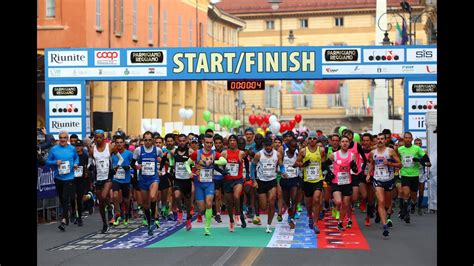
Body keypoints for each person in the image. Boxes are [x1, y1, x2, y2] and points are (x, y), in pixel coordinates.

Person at [185, 134, 227, 236]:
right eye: (207, 142)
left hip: (209, 183)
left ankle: (207, 227)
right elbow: (187, 163)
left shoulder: (214, 153)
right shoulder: (197, 153)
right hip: (198, 184)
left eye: (210, 143)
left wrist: (213, 161)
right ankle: (207, 216)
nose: (209, 144)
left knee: (209, 203)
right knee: (202, 208)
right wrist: (190, 172)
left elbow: (224, 161)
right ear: (203, 142)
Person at [366, 133, 401, 237]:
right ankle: (385, 225)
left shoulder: (390, 151)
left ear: (386, 140)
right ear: (376, 140)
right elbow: (372, 164)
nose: (380, 140)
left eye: (382, 139)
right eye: (378, 139)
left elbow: (400, 164)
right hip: (378, 180)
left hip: (389, 180)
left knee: (386, 204)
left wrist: (390, 163)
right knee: (381, 201)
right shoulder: (373, 152)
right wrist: (368, 174)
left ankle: (380, 212)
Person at [89, 129, 123, 233]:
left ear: (104, 138)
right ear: (94, 138)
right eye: (96, 137)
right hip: (98, 177)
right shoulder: (92, 149)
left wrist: (116, 167)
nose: (98, 139)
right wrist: (89, 167)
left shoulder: (110, 147)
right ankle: (105, 223)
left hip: (108, 176)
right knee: (100, 203)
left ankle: (109, 207)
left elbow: (121, 159)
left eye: (100, 137)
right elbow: (90, 161)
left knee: (103, 196)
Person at [46, 130, 79, 231]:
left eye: (65, 138)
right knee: (62, 198)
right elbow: (47, 162)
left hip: (69, 177)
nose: (63, 140)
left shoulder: (72, 149)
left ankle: (64, 220)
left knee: (65, 197)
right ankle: (67, 216)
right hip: (58, 177)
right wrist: (55, 162)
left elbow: (76, 158)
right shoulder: (54, 149)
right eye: (61, 138)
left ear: (67, 139)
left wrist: (76, 164)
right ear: (58, 139)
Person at [132, 131, 163, 235]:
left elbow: (162, 159)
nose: (148, 142)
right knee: (145, 204)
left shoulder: (157, 150)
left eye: (150, 140)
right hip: (143, 179)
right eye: (146, 140)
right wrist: (136, 166)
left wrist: (160, 169)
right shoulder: (138, 150)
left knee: (153, 196)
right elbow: (132, 163)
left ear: (153, 140)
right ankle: (149, 222)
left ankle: (154, 217)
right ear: (143, 140)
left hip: (153, 178)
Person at [296, 131, 326, 234]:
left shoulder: (321, 150)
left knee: (317, 199)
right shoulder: (303, 151)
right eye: (310, 138)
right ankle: (310, 216)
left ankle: (315, 223)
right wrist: (303, 164)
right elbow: (296, 163)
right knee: (308, 204)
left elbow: (323, 163)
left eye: (314, 138)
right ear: (308, 140)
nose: (312, 140)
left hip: (318, 179)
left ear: (316, 140)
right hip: (307, 180)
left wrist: (325, 172)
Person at [252, 137, 284, 233]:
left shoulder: (277, 154)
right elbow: (252, 167)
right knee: (264, 207)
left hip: (272, 181)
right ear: (264, 146)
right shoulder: (258, 155)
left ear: (272, 145)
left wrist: (283, 172)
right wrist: (254, 180)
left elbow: (281, 166)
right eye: (266, 146)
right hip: (261, 181)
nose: (268, 147)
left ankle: (269, 225)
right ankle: (263, 214)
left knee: (272, 201)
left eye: (270, 145)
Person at [397, 132, 431, 224]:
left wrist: (419, 160)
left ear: (411, 139)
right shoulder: (400, 149)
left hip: (415, 175)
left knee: (413, 196)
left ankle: (414, 204)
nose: (407, 139)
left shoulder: (417, 149)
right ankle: (406, 213)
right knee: (405, 193)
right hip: (405, 174)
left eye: (409, 138)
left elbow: (427, 159)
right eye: (406, 138)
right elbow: (396, 159)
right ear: (403, 139)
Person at [327, 136, 358, 231]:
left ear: (349, 144)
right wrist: (329, 173)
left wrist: (354, 167)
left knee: (345, 204)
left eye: (346, 141)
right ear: (340, 144)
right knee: (338, 202)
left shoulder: (352, 155)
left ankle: (340, 222)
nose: (344, 143)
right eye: (343, 141)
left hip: (347, 182)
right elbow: (325, 165)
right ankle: (334, 204)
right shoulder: (334, 155)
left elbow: (354, 169)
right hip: (336, 182)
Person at [221, 134, 247, 231]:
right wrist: (222, 171)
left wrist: (247, 174)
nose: (232, 142)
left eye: (234, 140)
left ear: (236, 142)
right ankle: (231, 220)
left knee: (236, 196)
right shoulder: (224, 153)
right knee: (229, 203)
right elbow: (219, 163)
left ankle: (237, 215)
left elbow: (247, 162)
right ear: (228, 142)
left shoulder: (241, 153)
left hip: (238, 179)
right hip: (227, 180)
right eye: (230, 140)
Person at [169, 134, 194, 231]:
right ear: (177, 141)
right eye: (180, 141)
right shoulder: (173, 152)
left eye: (183, 141)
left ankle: (188, 219)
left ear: (186, 141)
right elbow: (170, 161)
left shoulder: (190, 152)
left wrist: (193, 172)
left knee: (188, 202)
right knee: (176, 195)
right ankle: (180, 210)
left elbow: (196, 162)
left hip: (187, 180)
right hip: (178, 179)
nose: (182, 142)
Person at [111, 135, 134, 226]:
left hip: (126, 179)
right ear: (115, 144)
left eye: (121, 142)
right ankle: (117, 214)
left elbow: (134, 165)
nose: (119, 144)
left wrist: (128, 167)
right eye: (117, 143)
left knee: (126, 199)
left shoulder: (129, 154)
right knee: (115, 196)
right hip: (116, 178)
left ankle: (127, 213)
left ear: (124, 143)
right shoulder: (112, 153)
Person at [280, 138, 300, 229]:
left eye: (294, 146)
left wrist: (299, 165)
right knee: (286, 199)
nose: (293, 148)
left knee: (294, 198)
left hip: (294, 179)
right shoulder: (283, 152)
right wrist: (282, 171)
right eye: (291, 146)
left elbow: (301, 162)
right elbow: (279, 163)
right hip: (285, 179)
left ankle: (292, 219)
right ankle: (290, 209)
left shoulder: (297, 152)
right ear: (288, 146)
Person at [213, 134, 225, 223]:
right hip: (215, 177)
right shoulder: (212, 153)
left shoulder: (225, 153)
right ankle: (217, 214)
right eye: (216, 143)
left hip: (226, 177)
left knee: (226, 196)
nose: (218, 145)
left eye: (219, 143)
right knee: (217, 195)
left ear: (222, 144)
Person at [414, 138, 428, 215]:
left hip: (422, 174)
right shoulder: (412, 152)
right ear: (414, 144)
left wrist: (422, 162)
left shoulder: (424, 153)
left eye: (420, 143)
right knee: (413, 192)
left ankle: (419, 207)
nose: (418, 145)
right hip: (413, 173)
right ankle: (412, 206)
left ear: (422, 144)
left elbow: (429, 164)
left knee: (421, 191)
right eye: (417, 143)